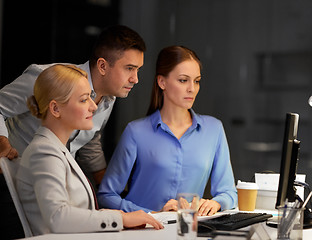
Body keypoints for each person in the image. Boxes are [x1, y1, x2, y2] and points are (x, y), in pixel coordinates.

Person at [0, 25, 146, 239]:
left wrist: (109, 187)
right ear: (103, 66)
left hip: (52, 180)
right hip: (7, 170)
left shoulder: (108, 98)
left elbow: (90, 140)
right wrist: (3, 148)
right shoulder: (49, 78)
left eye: (138, 69)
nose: (135, 79)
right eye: (129, 68)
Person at [16, 64, 163, 235]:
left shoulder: (57, 150)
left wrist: (122, 215)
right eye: (84, 99)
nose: (93, 106)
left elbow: (75, 213)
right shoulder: (44, 153)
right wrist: (122, 219)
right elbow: (58, 217)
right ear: (55, 109)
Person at [97, 46, 237, 216]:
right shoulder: (136, 132)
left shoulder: (214, 130)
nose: (192, 89)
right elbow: (106, 195)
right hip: (143, 232)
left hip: (186, 232)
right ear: (162, 82)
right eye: (183, 80)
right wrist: (152, 214)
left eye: (197, 81)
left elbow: (229, 193)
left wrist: (215, 203)